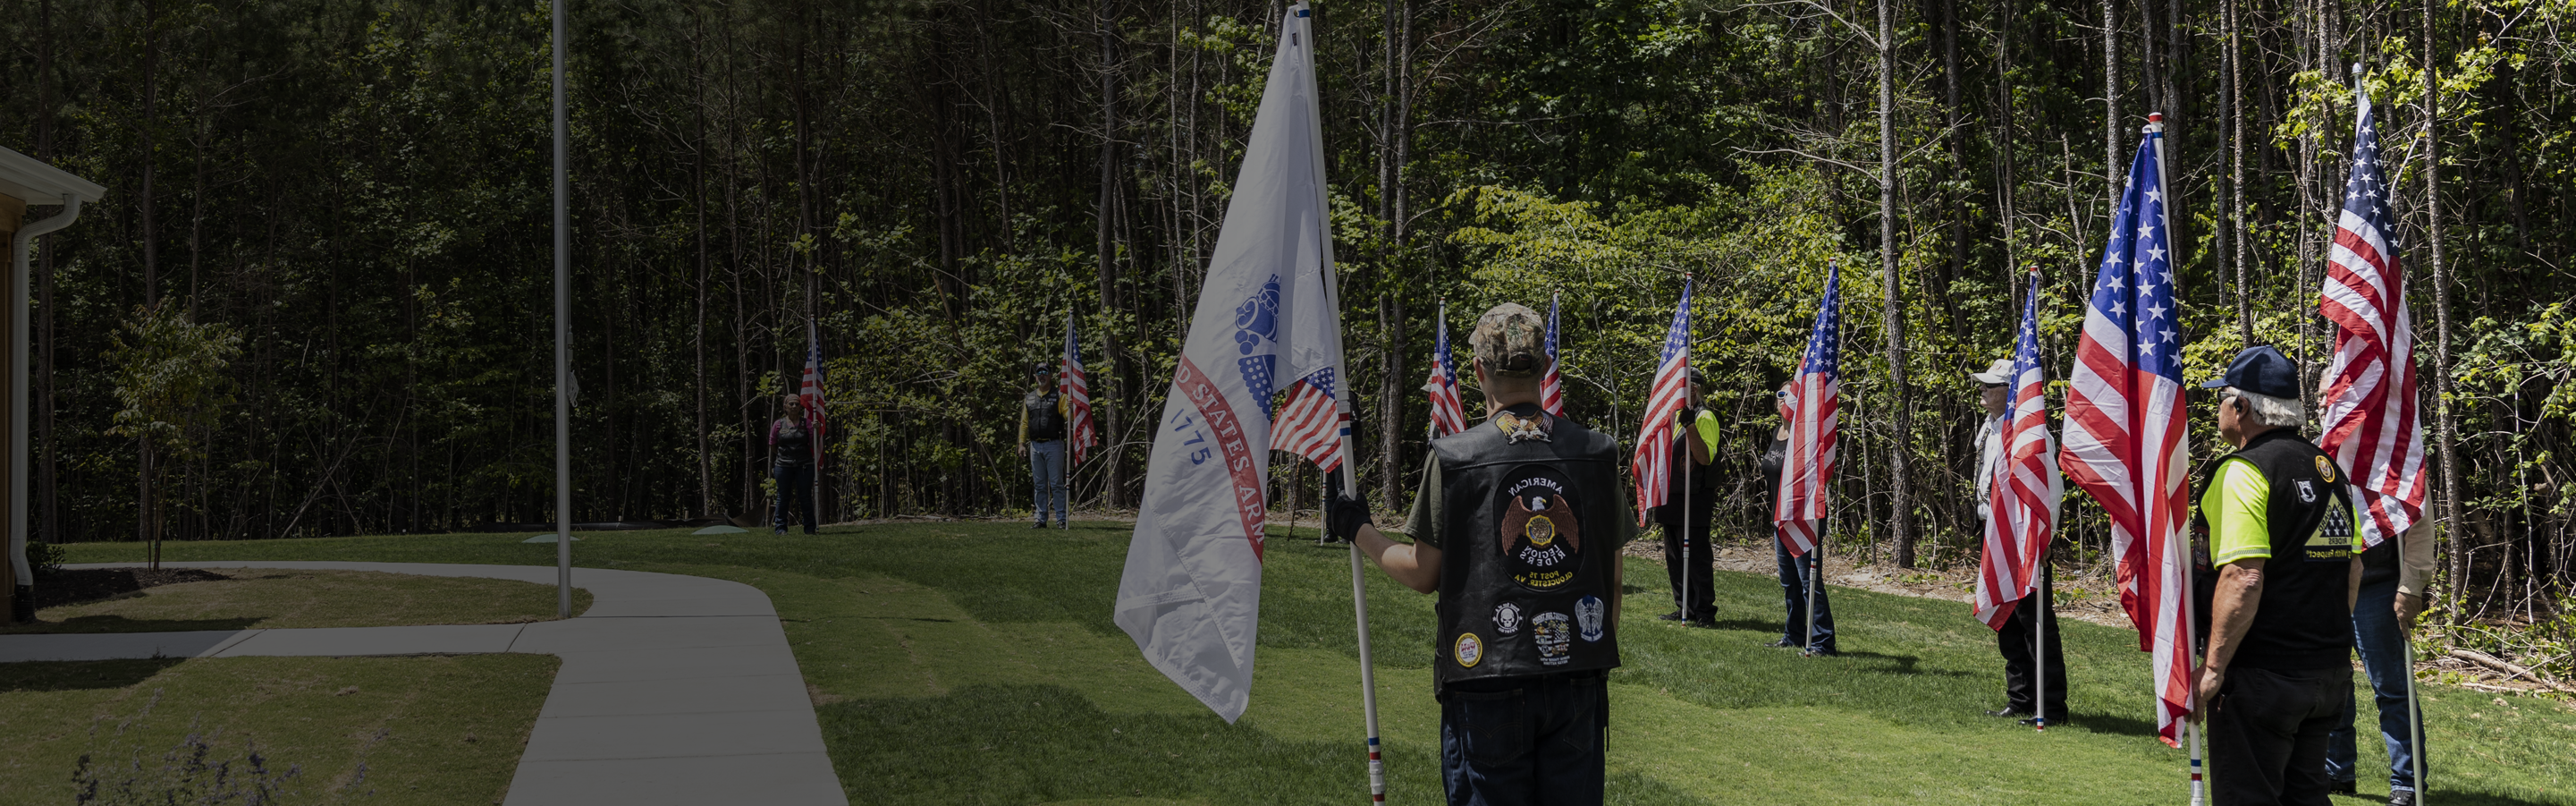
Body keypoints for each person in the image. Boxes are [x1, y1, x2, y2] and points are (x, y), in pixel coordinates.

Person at [1326, 301, 1634, 805]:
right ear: (1544, 365)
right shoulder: (1596, 454)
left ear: (1477, 371)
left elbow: (1423, 572)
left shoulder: (1455, 457)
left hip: (1485, 679)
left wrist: (1357, 528)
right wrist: (1589, 649)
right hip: (1577, 676)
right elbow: (1613, 576)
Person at [2191, 344, 2362, 806]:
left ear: (2242, 406)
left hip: (2262, 677)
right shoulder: (2329, 471)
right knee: (2306, 795)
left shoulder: (2243, 472)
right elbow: (2353, 567)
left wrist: (2213, 668)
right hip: (2325, 675)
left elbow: (2243, 577)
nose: (2219, 410)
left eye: (2222, 399)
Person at [1972, 358, 2065, 724]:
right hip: (1996, 532)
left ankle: (2052, 706)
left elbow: (2051, 492)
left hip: (2026, 538)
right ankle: (2022, 697)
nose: (1981, 390)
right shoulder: (1992, 428)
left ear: (2010, 392)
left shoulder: (2033, 435)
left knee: (2035, 622)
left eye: (1989, 386)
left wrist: (2043, 541)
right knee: (2008, 619)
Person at [2325, 516, 2433, 804]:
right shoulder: (2318, 469)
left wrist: (2412, 584)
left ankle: (2407, 782)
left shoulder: (2397, 469)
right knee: (2329, 681)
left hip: (2378, 584)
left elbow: (2419, 519)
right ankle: (2336, 771)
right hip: (2327, 582)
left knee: (2392, 688)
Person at [1760, 382, 1836, 654]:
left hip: (1804, 520)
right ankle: (1793, 634)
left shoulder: (1806, 436)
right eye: (1780, 394)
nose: (1784, 399)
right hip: (1780, 519)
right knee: (1789, 582)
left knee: (1809, 582)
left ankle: (1823, 641)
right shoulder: (1777, 433)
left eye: (1790, 394)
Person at [1651, 368, 1719, 626]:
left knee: (1697, 556)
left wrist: (1690, 424)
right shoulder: (1672, 416)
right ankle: (1684, 607)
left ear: (1694, 389)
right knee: (1674, 556)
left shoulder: (1705, 417)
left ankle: (1704, 611)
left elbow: (1704, 456)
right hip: (1672, 494)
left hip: (1695, 496)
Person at [1018, 363, 1069, 530]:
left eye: (1045, 372)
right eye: (1039, 373)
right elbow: (1024, 423)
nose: (1042, 375)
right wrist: (1021, 443)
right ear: (1035, 377)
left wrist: (1073, 406)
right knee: (1039, 484)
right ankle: (1040, 519)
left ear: (1050, 375)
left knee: (1056, 483)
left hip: (1054, 444)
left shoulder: (1059, 396)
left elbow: (1069, 415)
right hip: (1034, 446)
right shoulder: (1029, 398)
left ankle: (1061, 518)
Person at [768, 395, 819, 535]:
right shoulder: (778, 424)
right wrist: (783, 455)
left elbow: (814, 443)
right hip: (783, 465)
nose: (795, 406)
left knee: (805, 497)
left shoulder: (807, 423)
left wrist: (816, 430)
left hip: (804, 464)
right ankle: (780, 529)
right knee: (783, 496)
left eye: (797, 404)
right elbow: (773, 444)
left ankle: (809, 528)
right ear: (785, 407)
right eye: (791, 404)